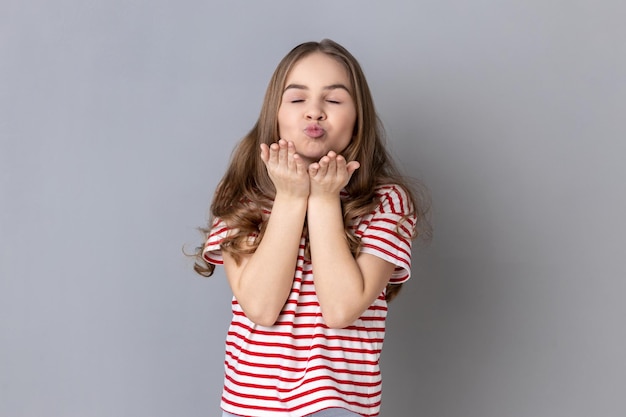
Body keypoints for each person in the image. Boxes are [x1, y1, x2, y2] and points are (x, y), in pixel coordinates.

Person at [194, 39, 431, 417]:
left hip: (341, 406)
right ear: (275, 113)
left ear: (358, 118)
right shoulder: (242, 194)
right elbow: (261, 307)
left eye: (334, 101)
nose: (315, 112)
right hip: (250, 407)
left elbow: (341, 308)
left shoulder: (387, 201)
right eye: (297, 99)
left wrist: (323, 201)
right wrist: (290, 198)